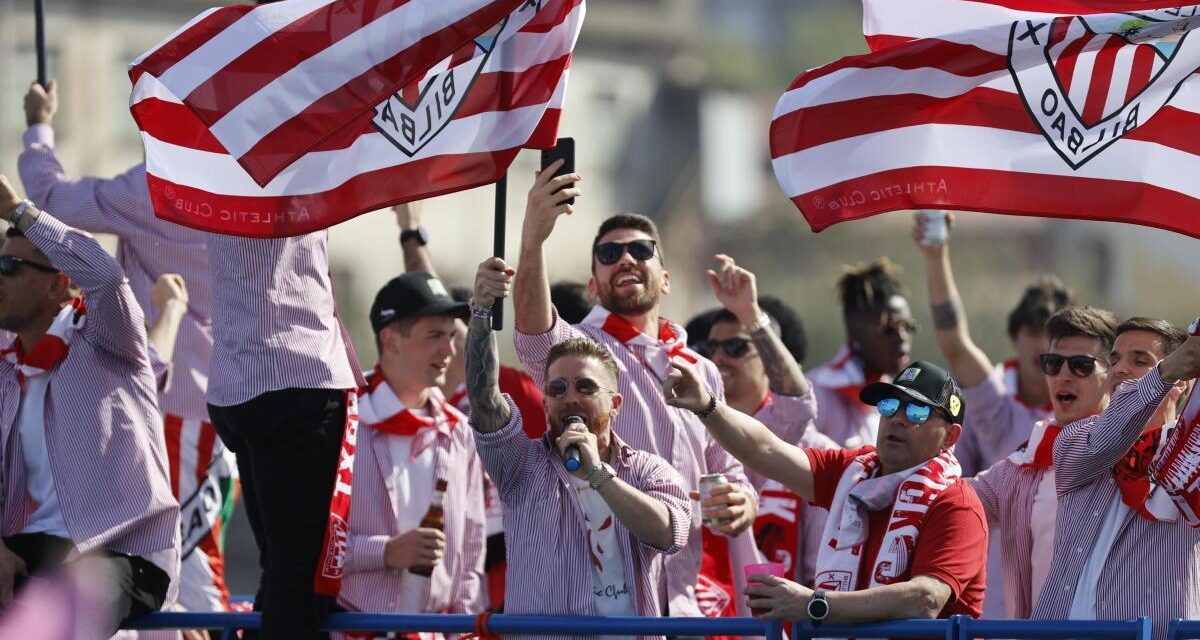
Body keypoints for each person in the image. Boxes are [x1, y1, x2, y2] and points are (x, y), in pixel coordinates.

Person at [19, 80, 237, 616]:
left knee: (186, 569)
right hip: (220, 397)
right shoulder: (239, 183)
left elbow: (50, 198)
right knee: (195, 559)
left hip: (165, 405)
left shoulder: (153, 191)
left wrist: (39, 124)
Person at [511, 163, 757, 617]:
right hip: (610, 592)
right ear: (593, 286)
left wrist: (744, 500)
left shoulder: (700, 367)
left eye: (641, 250)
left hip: (690, 599)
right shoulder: (581, 352)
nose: (625, 259)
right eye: (608, 255)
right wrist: (534, 238)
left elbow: (730, 467)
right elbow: (530, 331)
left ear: (665, 277)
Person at [663, 356, 986, 623]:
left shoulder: (956, 503)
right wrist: (706, 406)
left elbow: (925, 598)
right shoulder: (855, 471)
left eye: (917, 412)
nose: (898, 419)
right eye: (889, 405)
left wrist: (813, 605)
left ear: (951, 437)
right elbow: (766, 451)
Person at [467, 257, 690, 638]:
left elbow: (667, 535)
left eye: (585, 387)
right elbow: (485, 399)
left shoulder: (650, 470)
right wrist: (482, 310)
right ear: (545, 403)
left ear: (615, 404)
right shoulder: (521, 465)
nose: (569, 398)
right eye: (557, 389)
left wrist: (598, 476)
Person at [0, 176, 180, 638]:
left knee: (76, 593)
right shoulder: (4, 363)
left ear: (58, 287)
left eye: (9, 265)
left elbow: (105, 278)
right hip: (34, 549)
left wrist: (21, 210)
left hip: (123, 553)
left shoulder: (104, 338)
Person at [912, 212, 1074, 618]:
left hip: (1070, 593)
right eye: (1034, 331)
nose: (1041, 346)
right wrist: (936, 254)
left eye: (1054, 336)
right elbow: (953, 343)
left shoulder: (1092, 412)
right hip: (999, 598)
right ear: (1016, 335)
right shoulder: (997, 404)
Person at [1032, 319, 1198, 639]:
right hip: (1057, 631)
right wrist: (1161, 374)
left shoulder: (1193, 456)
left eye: (1140, 361)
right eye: (1115, 359)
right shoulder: (1076, 437)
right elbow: (1106, 442)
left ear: (1183, 380)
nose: (1121, 369)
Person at [338, 272, 486, 630]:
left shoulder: (459, 432)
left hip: (438, 631)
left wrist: (465, 633)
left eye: (451, 336)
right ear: (391, 339)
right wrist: (385, 552)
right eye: (435, 336)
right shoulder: (342, 425)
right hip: (354, 631)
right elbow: (308, 545)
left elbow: (471, 554)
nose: (449, 351)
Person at [969, 307, 1118, 619]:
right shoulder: (1025, 463)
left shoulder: (1147, 453)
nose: (1063, 375)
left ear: (1112, 376)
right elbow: (957, 503)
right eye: (1052, 364)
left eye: (1081, 366)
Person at [697, 255, 835, 590]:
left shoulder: (813, 451)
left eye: (735, 346)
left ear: (771, 360)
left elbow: (824, 574)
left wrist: (751, 316)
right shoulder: (695, 435)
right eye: (711, 347)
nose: (719, 358)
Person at [807, 258, 914, 448]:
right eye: (888, 329)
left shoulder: (898, 398)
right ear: (854, 333)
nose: (902, 338)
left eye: (908, 327)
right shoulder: (815, 394)